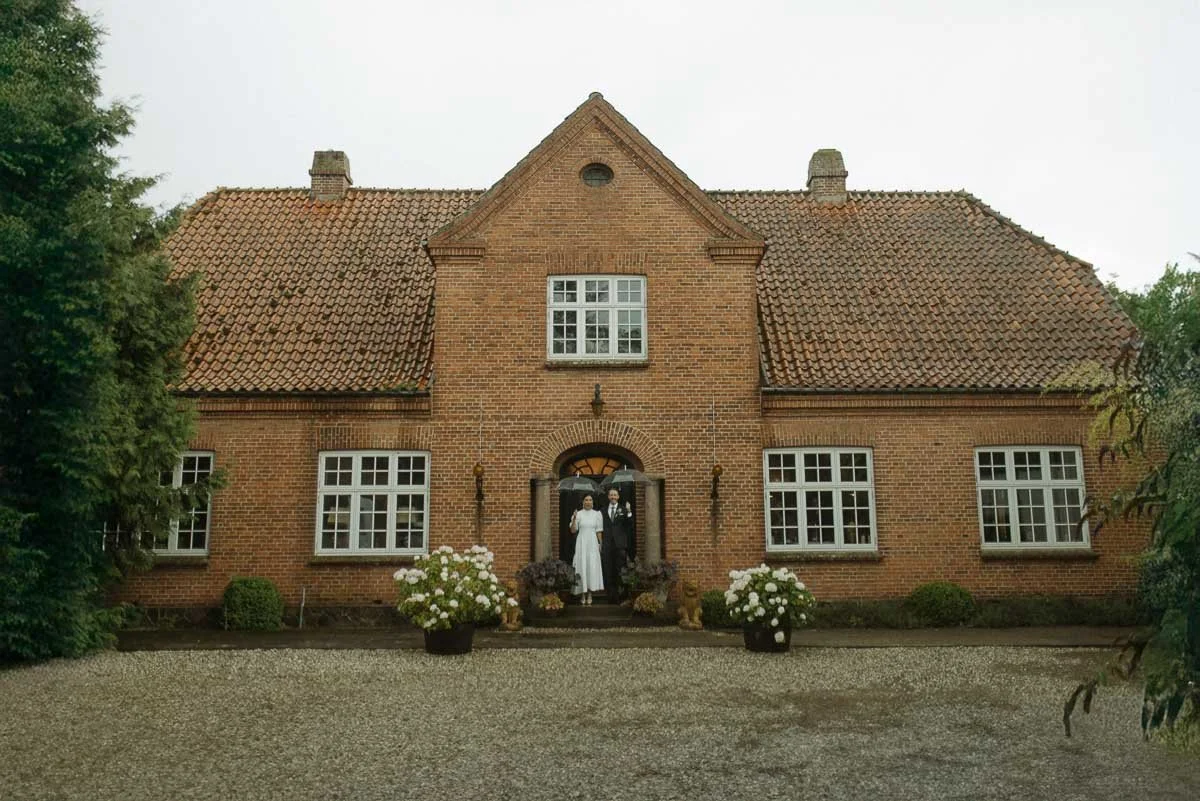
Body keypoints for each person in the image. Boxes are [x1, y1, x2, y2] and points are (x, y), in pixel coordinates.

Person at [569, 494, 604, 605]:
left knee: (591, 567)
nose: (588, 502)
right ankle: (582, 594)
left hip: (593, 543)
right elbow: (573, 531)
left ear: (592, 502)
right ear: (583, 502)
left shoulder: (597, 514)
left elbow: (599, 531)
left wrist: (600, 544)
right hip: (582, 543)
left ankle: (589, 593)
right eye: (586, 500)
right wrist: (574, 518)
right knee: (582, 566)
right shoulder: (578, 514)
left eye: (590, 500)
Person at [602, 488, 634, 601]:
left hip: (620, 545)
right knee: (608, 570)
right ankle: (610, 596)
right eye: (611, 495)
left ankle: (621, 596)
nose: (613, 497)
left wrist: (629, 511)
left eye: (615, 495)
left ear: (618, 497)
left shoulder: (624, 510)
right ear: (608, 497)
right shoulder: (603, 510)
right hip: (607, 545)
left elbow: (630, 525)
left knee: (620, 570)